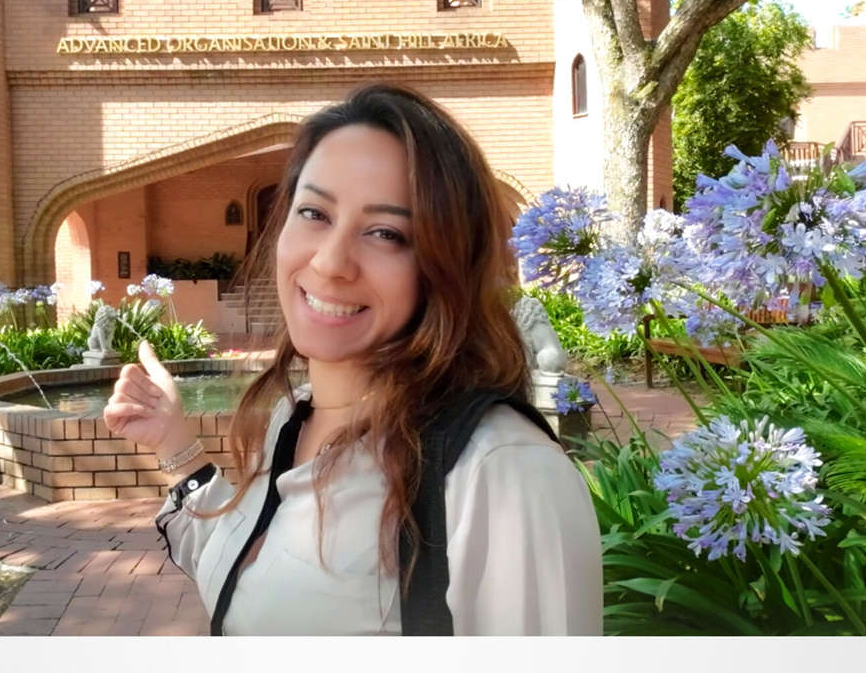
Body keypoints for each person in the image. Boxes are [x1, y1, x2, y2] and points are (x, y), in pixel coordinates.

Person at [103, 83, 601, 635]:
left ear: (447, 264)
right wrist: (174, 444)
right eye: (314, 213)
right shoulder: (292, 420)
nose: (330, 261)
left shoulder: (501, 471)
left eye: (386, 233)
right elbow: (252, 587)